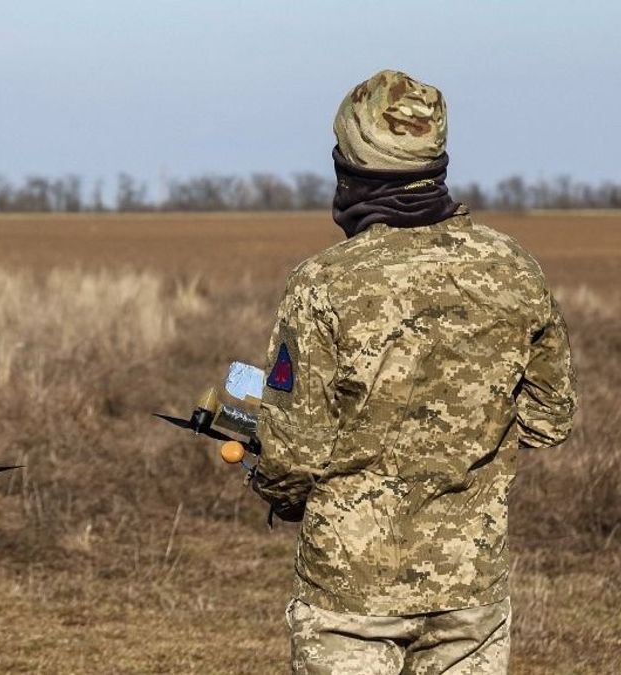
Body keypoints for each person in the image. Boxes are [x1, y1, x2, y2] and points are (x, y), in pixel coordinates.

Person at [250, 70, 577, 674]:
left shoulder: (323, 282)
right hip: (469, 589)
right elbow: (549, 418)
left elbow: (292, 455)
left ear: (347, 169)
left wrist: (273, 486)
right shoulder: (513, 268)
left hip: (351, 594)